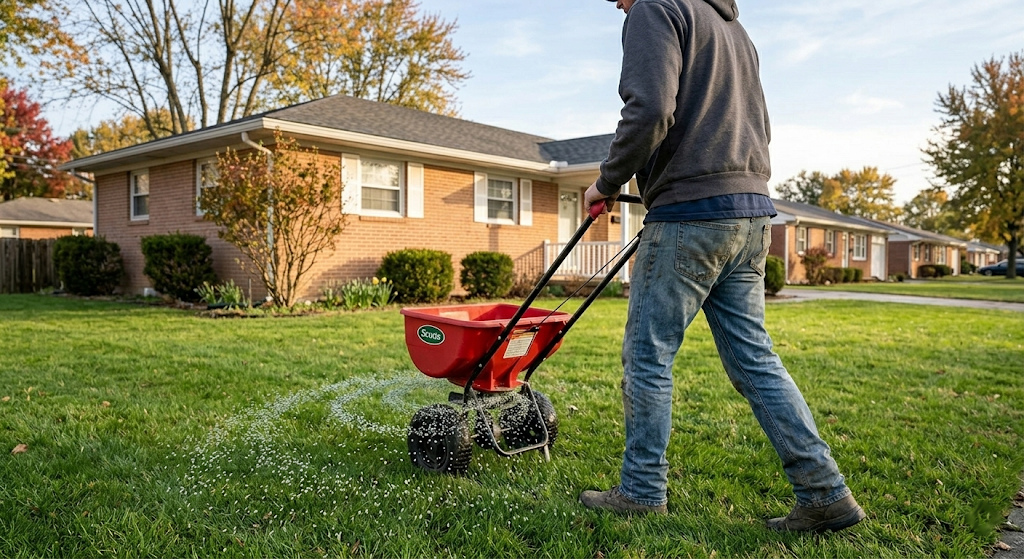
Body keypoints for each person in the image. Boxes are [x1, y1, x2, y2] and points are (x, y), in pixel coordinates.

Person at [578, 0, 866, 533]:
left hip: (691, 216)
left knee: (648, 356)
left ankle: (641, 490)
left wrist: (607, 180)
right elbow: (759, 124)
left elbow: (649, 110)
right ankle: (825, 492)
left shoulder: (653, 9)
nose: (611, 3)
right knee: (755, 360)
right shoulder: (734, 28)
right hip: (752, 212)